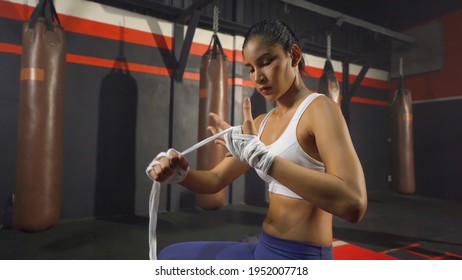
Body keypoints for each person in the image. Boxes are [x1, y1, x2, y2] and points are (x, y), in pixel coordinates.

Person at [147, 19, 367, 260]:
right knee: (170, 256)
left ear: (293, 55)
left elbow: (353, 203)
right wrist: (180, 175)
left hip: (301, 258)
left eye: (266, 62)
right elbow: (215, 180)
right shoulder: (261, 123)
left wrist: (263, 158)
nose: (258, 77)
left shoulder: (320, 109)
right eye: (251, 68)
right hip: (263, 248)